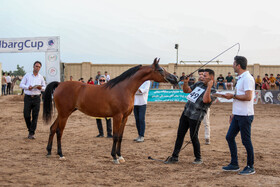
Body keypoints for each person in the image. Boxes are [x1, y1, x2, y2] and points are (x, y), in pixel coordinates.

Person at [165, 69, 216, 164]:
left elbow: (206, 100)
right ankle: (174, 156)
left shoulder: (213, 91)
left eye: (205, 76)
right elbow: (186, 90)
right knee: (180, 135)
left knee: (193, 137)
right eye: (202, 75)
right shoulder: (198, 84)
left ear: (211, 78)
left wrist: (209, 86)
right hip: (186, 112)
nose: (202, 77)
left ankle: (198, 158)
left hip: (196, 116)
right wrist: (185, 82)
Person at [222, 56, 255, 175]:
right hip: (237, 114)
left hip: (245, 115)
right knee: (229, 137)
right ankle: (234, 164)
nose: (232, 65)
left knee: (246, 141)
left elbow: (248, 97)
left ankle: (250, 166)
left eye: (234, 63)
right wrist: (233, 113)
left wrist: (232, 96)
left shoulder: (247, 78)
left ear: (238, 65)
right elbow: (239, 95)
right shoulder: (241, 78)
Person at [19, 61, 46, 139]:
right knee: (26, 115)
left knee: (35, 116)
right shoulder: (27, 75)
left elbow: (44, 87)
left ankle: (31, 133)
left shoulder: (41, 77)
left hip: (37, 98)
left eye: (39, 67)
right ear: (33, 67)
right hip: (28, 97)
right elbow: (21, 84)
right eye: (36, 66)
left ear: (40, 68)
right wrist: (28, 87)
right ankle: (30, 128)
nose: (37, 68)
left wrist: (41, 88)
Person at [198, 69, 211, 145]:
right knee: (196, 122)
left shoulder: (208, 84)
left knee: (206, 122)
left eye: (202, 74)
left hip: (205, 106)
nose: (201, 76)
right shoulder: (198, 84)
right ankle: (194, 137)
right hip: (197, 106)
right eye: (199, 74)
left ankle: (207, 137)